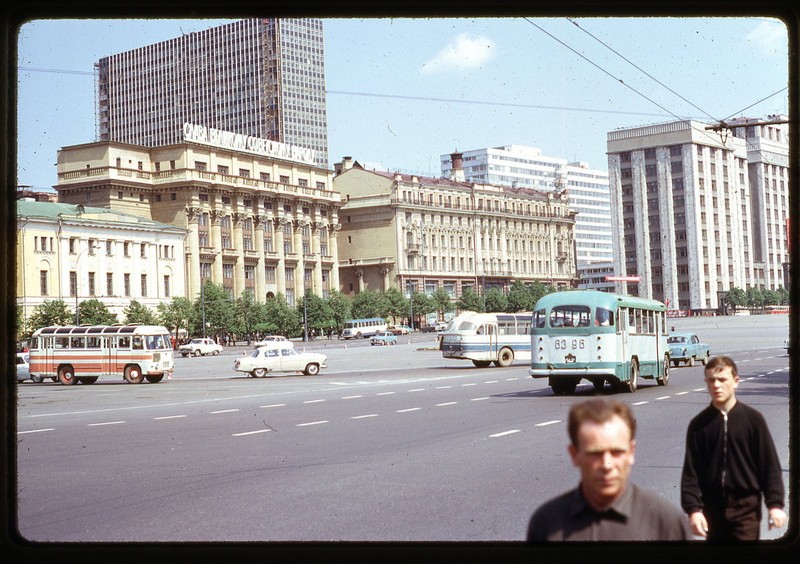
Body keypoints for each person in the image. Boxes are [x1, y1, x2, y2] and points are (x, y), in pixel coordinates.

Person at [527, 398, 690, 541]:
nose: (607, 465)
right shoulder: (547, 523)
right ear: (574, 454)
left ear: (631, 452)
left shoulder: (666, 522)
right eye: (595, 454)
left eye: (616, 452)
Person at [681, 355, 786, 541]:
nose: (716, 385)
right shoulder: (699, 425)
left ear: (735, 381)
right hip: (712, 511)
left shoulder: (753, 420)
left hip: (746, 510)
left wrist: (775, 506)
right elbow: (691, 473)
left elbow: (769, 466)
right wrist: (693, 511)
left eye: (722, 379)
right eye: (711, 380)